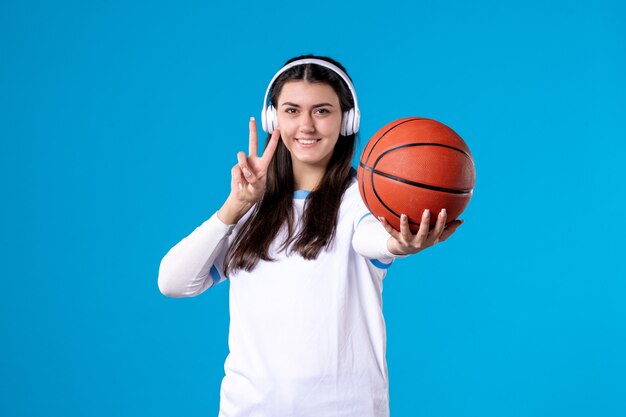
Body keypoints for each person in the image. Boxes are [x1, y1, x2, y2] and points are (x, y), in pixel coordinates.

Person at [158, 55, 462, 417]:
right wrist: (233, 207)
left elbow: (372, 239)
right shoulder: (250, 208)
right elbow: (173, 282)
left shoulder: (364, 199)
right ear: (274, 119)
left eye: (321, 111)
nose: (306, 126)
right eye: (291, 111)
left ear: (347, 120)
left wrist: (399, 243)